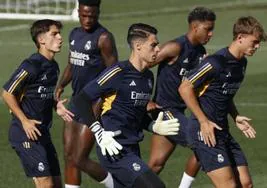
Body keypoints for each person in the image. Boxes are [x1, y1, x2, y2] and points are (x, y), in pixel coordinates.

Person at [61, 23, 181, 188]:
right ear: (138, 46)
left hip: (132, 148)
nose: (158, 49)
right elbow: (81, 99)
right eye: (153, 45)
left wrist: (154, 126)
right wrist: (98, 132)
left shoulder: (147, 77)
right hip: (114, 148)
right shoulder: (117, 72)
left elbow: (136, 114)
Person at [179, 16, 266, 187]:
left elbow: (224, 94)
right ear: (240, 37)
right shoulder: (215, 62)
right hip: (204, 131)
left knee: (246, 184)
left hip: (222, 130)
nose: (257, 46)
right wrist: (203, 121)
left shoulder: (241, 64)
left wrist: (236, 117)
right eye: (254, 42)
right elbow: (184, 88)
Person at [147, 7, 216, 188]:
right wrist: (145, 99)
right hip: (164, 111)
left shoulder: (201, 53)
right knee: (205, 141)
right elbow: (140, 65)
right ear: (195, 27)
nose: (211, 33)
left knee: (155, 164)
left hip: (177, 112)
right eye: (207, 29)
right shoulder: (175, 47)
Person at [54, 0, 118, 187]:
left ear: (98, 13)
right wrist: (61, 84)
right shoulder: (74, 34)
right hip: (76, 101)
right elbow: (72, 64)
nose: (87, 19)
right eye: (84, 15)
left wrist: (102, 104)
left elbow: (114, 73)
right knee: (68, 155)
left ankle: (115, 184)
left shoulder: (104, 38)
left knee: (80, 157)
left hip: (93, 103)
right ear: (78, 11)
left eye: (92, 16)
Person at [2, 19, 63, 188]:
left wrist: (55, 104)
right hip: (24, 133)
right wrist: (25, 121)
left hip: (43, 133)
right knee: (46, 184)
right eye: (54, 34)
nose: (60, 38)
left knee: (57, 184)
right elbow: (7, 93)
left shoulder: (54, 66)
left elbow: (42, 94)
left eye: (59, 33)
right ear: (41, 39)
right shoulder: (31, 65)